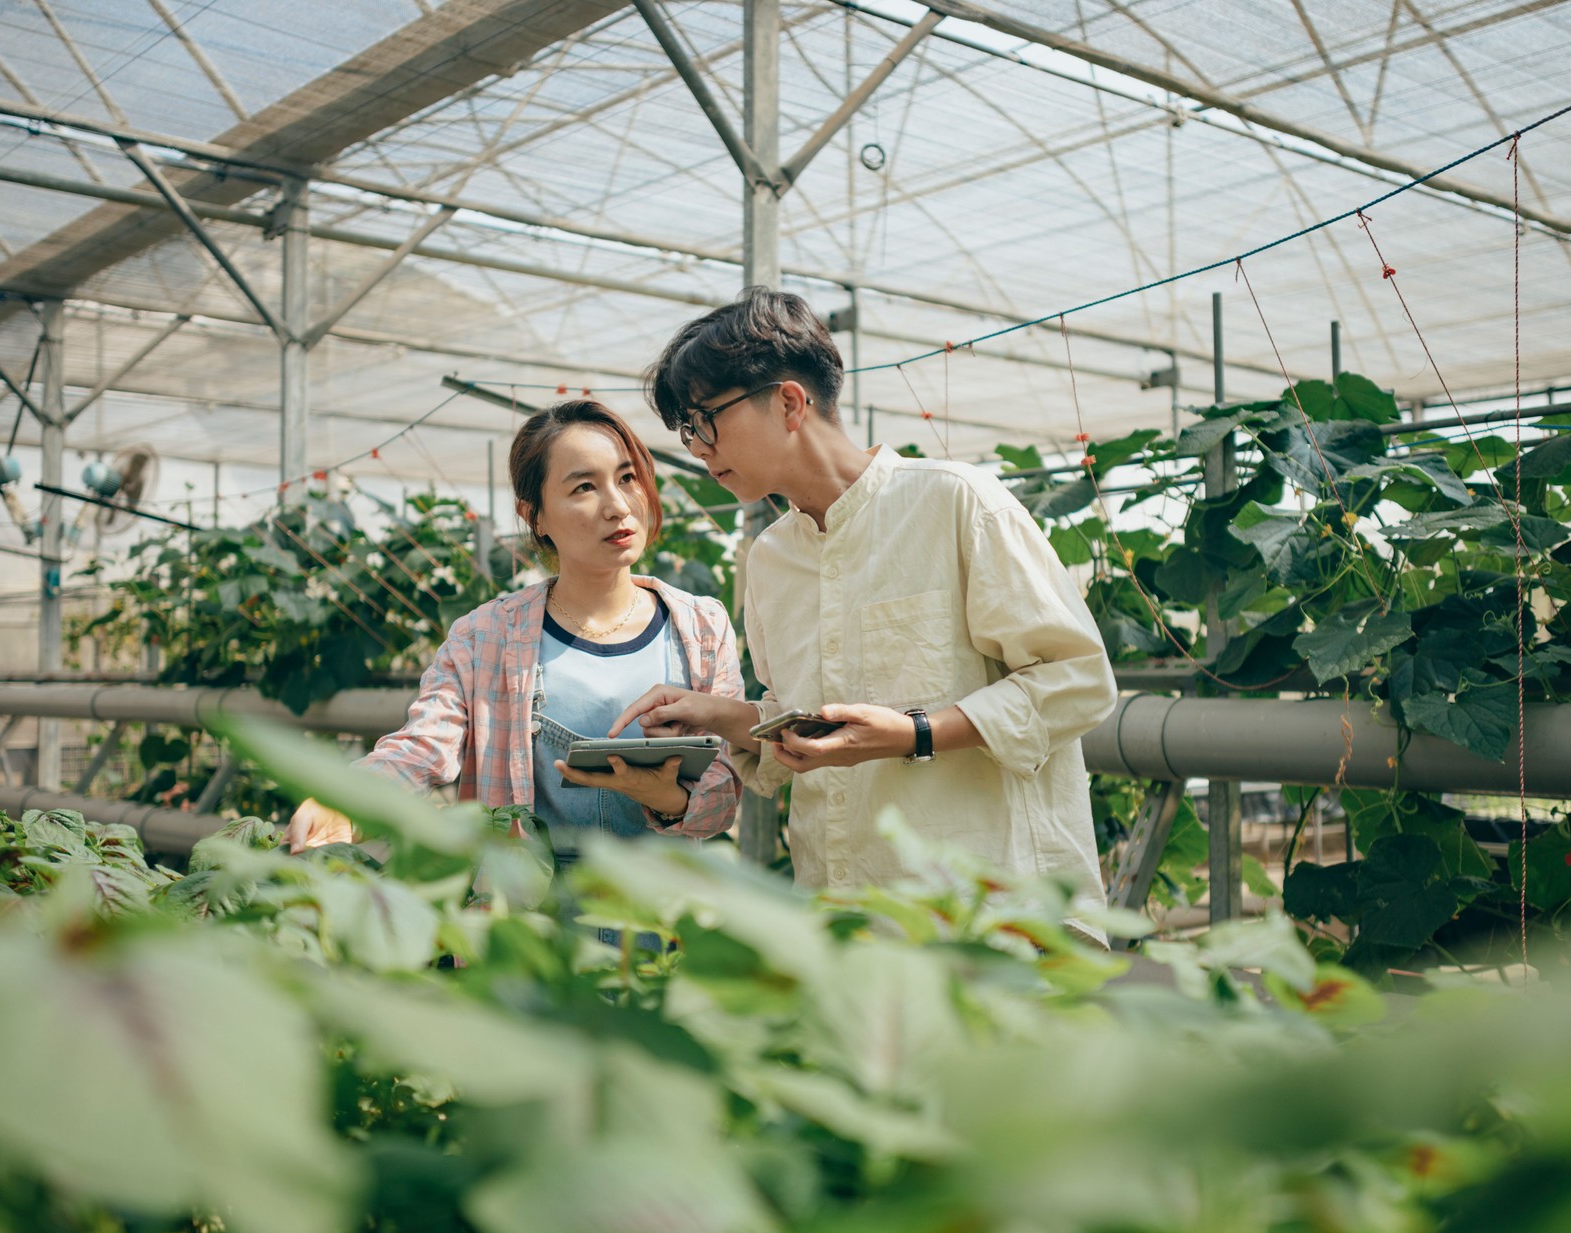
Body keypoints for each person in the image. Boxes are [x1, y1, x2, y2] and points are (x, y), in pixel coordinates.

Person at [612, 289, 1119, 919]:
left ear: (790, 402)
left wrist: (915, 734)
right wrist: (720, 716)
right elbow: (809, 729)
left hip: (988, 917)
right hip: (845, 913)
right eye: (687, 427)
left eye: (706, 418)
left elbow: (1078, 679)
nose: (696, 446)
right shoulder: (771, 559)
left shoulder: (955, 503)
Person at [287, 399, 744, 866]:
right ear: (536, 517)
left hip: (660, 921)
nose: (618, 505)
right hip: (526, 923)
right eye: (584, 486)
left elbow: (722, 800)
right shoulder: (484, 638)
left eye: (627, 478)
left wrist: (667, 796)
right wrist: (346, 801)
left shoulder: (702, 628)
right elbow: (421, 746)